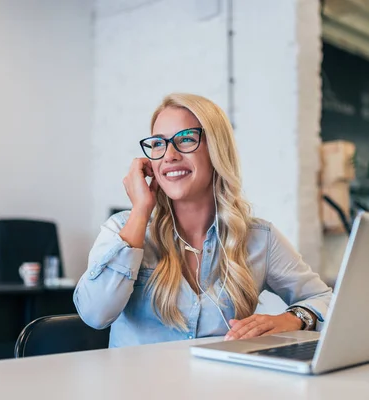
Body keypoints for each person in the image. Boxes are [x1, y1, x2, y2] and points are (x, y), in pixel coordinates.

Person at [74, 93, 332, 348]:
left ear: (216, 150)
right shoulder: (122, 230)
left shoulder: (259, 238)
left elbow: (324, 299)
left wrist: (293, 319)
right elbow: (95, 315)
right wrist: (141, 210)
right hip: (137, 388)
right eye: (158, 144)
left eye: (185, 139)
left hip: (222, 387)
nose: (169, 155)